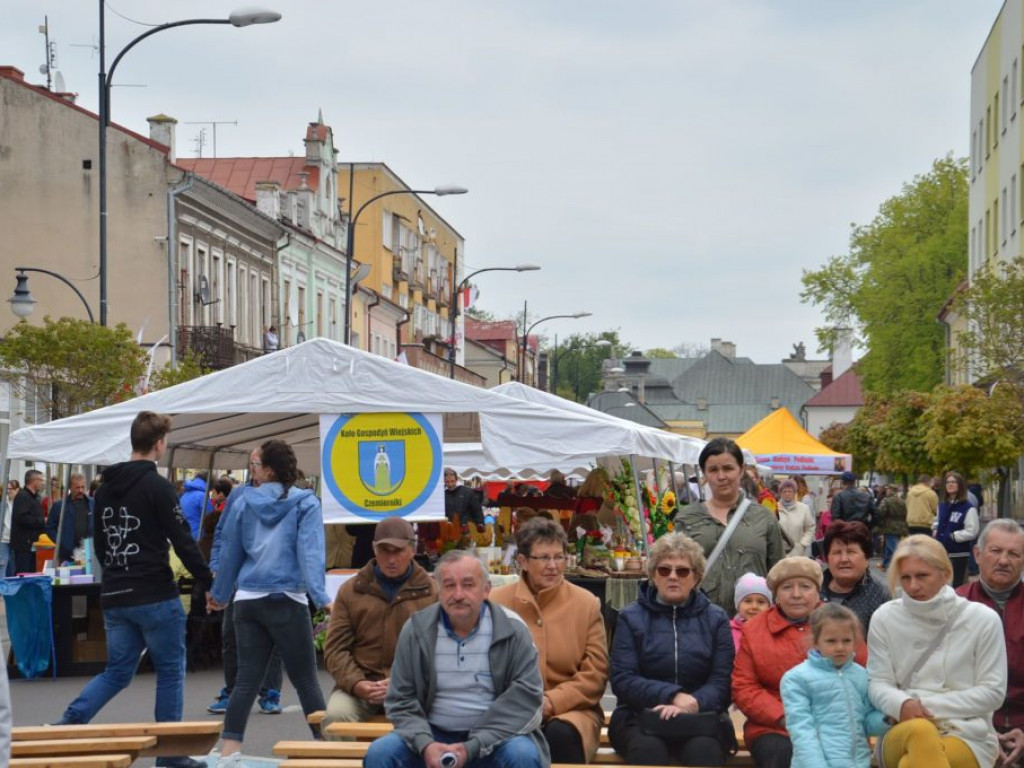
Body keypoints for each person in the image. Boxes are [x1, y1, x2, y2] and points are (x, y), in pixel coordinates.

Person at [53, 411, 212, 768]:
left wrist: (116, 573)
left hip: (115, 593)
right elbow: (182, 541)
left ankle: (70, 722)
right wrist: (209, 581)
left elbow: (100, 545)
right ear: (159, 444)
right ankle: (170, 756)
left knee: (117, 671)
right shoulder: (158, 487)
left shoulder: (105, 489)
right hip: (154, 591)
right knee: (170, 670)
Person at [209, 439, 332, 767]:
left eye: (256, 465)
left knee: (247, 680)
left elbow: (231, 552)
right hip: (287, 597)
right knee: (305, 679)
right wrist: (321, 598)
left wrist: (220, 594)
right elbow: (309, 554)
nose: (253, 470)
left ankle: (228, 752)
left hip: (248, 598)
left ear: (269, 470)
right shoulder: (306, 503)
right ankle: (326, 748)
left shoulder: (242, 502)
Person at [365, 550, 549, 767]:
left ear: (486, 589)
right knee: (381, 753)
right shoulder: (416, 630)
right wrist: (425, 744)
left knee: (522, 755)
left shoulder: (512, 629)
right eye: (449, 585)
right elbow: (400, 699)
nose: (458, 594)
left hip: (494, 738)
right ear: (439, 590)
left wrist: (473, 746)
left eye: (468, 585)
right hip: (432, 734)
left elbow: (527, 698)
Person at [868, 534, 1006, 768]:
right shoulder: (884, 617)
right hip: (902, 728)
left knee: (910, 763)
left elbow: (993, 692)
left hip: (967, 733)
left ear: (945, 573)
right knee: (921, 731)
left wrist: (923, 706)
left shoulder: (982, 619)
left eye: (922, 576)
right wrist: (902, 705)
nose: (913, 586)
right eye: (905, 577)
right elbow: (877, 682)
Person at [609, 532, 734, 766]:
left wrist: (693, 703)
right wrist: (672, 696)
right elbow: (623, 679)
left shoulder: (716, 619)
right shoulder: (630, 617)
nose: (673, 577)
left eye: (682, 571)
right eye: (664, 570)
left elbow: (722, 680)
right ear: (653, 575)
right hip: (639, 716)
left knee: (704, 752)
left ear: (696, 577)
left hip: (702, 717)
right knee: (648, 751)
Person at [492, 518, 608, 763]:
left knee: (560, 734)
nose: (553, 566)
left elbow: (595, 674)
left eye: (559, 557)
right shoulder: (495, 603)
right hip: (511, 708)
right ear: (523, 561)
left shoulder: (586, 604)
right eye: (544, 558)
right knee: (510, 745)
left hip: (573, 710)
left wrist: (551, 702)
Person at [733, 556, 865, 768]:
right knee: (780, 754)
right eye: (787, 587)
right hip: (775, 727)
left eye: (805, 586)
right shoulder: (754, 630)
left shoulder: (840, 622)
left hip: (835, 724)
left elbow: (862, 673)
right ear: (776, 594)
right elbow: (744, 687)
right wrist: (786, 716)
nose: (796, 594)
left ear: (817, 592)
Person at [322, 516, 438, 733]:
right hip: (360, 685)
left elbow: (439, 650)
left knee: (440, 719)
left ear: (412, 550)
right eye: (384, 550)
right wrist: (357, 684)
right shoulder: (351, 590)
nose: (391, 559)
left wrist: (404, 682)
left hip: (414, 688)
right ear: (374, 549)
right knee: (337, 718)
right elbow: (335, 649)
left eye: (398, 551)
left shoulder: (432, 592)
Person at [206, 451, 283, 717]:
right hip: (239, 577)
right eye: (250, 463)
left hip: (271, 577)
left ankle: (270, 694)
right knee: (231, 636)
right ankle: (232, 691)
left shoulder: (283, 494)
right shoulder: (239, 495)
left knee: (272, 637)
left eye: (257, 463)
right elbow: (222, 532)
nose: (252, 468)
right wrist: (216, 565)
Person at [676, 438, 784, 615]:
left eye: (728, 468)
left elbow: (778, 574)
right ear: (704, 474)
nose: (721, 476)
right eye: (713, 470)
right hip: (700, 619)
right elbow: (675, 571)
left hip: (752, 622)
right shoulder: (687, 518)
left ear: (741, 470)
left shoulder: (764, 518)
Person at [780, 603, 888, 768]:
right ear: (816, 642)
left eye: (846, 640)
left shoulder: (861, 675)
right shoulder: (796, 679)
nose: (840, 647)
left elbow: (865, 723)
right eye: (831, 641)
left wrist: (887, 719)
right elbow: (802, 732)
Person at [957, 519, 1024, 766]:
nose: (1004, 561)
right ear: (977, 554)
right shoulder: (954, 605)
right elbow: (939, 683)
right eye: (996, 551)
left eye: (1014, 554)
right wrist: (980, 732)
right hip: (967, 729)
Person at [819, 521, 890, 633]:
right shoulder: (813, 589)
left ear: (866, 559)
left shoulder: (881, 595)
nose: (844, 559)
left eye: (851, 552)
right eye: (837, 552)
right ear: (827, 559)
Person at [46, 473, 93, 563]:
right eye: (77, 487)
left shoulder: (92, 504)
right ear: (70, 487)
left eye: (82, 487)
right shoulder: (59, 506)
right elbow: (49, 528)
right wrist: (61, 542)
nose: (80, 490)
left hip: (88, 553)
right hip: (67, 555)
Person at [934, 471, 980, 559]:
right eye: (948, 482)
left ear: (960, 485)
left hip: (959, 554)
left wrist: (954, 536)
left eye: (953, 482)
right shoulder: (942, 505)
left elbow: (972, 531)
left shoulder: (967, 508)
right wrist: (935, 530)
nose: (950, 484)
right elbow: (937, 520)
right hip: (941, 553)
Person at [10, 469, 45, 574]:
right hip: (24, 546)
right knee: (23, 574)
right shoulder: (22, 496)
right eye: (41, 480)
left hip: (32, 545)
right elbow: (22, 518)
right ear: (34, 481)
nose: (42, 483)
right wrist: (41, 521)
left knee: (31, 575)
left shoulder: (34, 497)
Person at [730, 573, 772, 649]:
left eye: (761, 602)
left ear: (769, 606)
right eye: (748, 601)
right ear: (738, 605)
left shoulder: (774, 630)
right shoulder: (728, 631)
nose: (754, 606)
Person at [777, 480, 814, 557]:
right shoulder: (774, 508)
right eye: (784, 491)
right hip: (779, 553)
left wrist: (803, 544)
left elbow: (810, 528)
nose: (787, 494)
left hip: (797, 553)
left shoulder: (804, 508)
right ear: (780, 493)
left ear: (794, 493)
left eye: (789, 491)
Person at [874, 484, 908, 569]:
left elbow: (881, 512)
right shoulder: (902, 501)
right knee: (888, 546)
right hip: (901, 526)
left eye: (888, 489)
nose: (886, 491)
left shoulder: (886, 501)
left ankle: (904, 564)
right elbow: (906, 513)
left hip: (889, 526)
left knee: (893, 546)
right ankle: (885, 563)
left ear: (890, 490)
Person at [179, 473, 207, 539]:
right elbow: (209, 518)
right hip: (199, 535)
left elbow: (179, 516)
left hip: (185, 534)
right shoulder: (203, 496)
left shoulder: (184, 496)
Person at [1, 480, 19, 577]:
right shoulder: (3, 503)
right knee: (2, 565)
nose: (8, 491)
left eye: (10, 489)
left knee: (12, 567)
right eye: (7, 489)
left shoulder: (20, 503)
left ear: (17, 490)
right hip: (3, 539)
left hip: (15, 540)